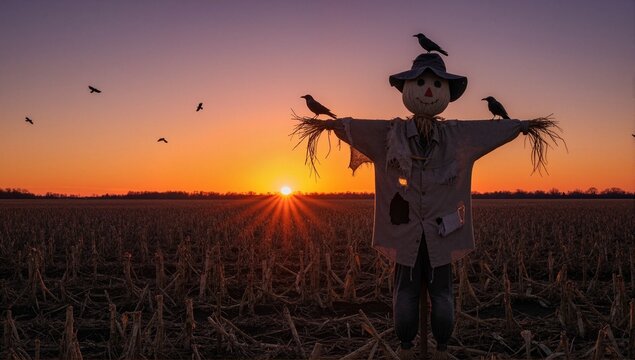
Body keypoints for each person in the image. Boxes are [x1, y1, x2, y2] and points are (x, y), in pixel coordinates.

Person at [294, 53, 562, 360]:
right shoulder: (407, 135)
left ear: (446, 91)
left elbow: (489, 131)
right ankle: (416, 347)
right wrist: (330, 125)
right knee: (419, 293)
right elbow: (355, 126)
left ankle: (432, 348)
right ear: (408, 88)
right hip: (417, 231)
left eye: (436, 84)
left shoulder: (428, 135)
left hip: (433, 232)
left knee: (429, 294)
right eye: (421, 82)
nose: (429, 90)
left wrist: (520, 126)